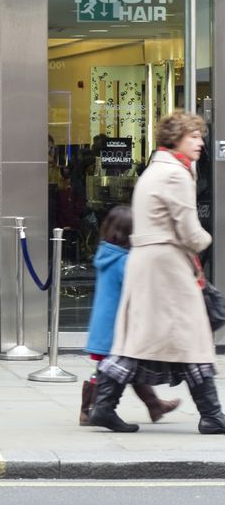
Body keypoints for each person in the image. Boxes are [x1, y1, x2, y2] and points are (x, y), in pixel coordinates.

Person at [89, 111, 224, 434]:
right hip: (167, 267)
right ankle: (211, 414)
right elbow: (190, 231)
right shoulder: (176, 174)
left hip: (152, 264)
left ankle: (104, 406)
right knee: (189, 337)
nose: (200, 143)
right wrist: (206, 239)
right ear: (176, 137)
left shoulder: (157, 168)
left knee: (141, 340)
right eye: (194, 136)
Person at [79, 205, 179, 426]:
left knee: (126, 370)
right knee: (114, 371)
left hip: (104, 328)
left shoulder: (107, 254)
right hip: (116, 328)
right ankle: (88, 411)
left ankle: (154, 405)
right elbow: (140, 288)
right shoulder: (124, 261)